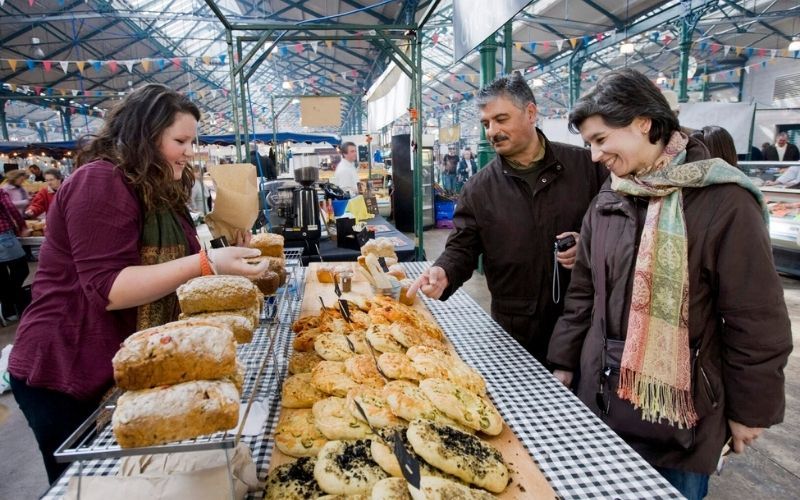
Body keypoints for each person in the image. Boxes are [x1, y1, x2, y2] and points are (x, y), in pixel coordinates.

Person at [546, 69, 792, 500]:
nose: (594, 155)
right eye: (589, 143)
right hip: (600, 400)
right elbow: (584, 292)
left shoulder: (724, 202)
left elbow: (755, 318)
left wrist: (750, 411)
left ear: (643, 122)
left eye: (601, 140)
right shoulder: (609, 198)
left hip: (679, 419)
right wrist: (565, 361)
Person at [7, 84, 268, 484]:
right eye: (180, 140)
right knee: (93, 486)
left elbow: (170, 261)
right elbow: (110, 288)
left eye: (191, 141)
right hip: (67, 364)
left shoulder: (154, 189)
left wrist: (222, 249)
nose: (189, 151)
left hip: (117, 362)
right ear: (145, 135)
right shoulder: (100, 182)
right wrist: (207, 262)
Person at [407, 73, 607, 363]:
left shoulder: (587, 167)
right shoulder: (479, 188)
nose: (492, 131)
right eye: (486, 123)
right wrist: (444, 271)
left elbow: (617, 227)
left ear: (530, 113)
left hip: (584, 324)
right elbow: (462, 247)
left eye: (501, 119)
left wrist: (586, 243)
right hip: (515, 332)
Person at [0, 185, 31, 322]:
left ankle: (9, 311)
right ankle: (17, 302)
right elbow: (11, 209)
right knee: (21, 269)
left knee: (2, 277)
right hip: (3, 237)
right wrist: (22, 226)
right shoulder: (1, 192)